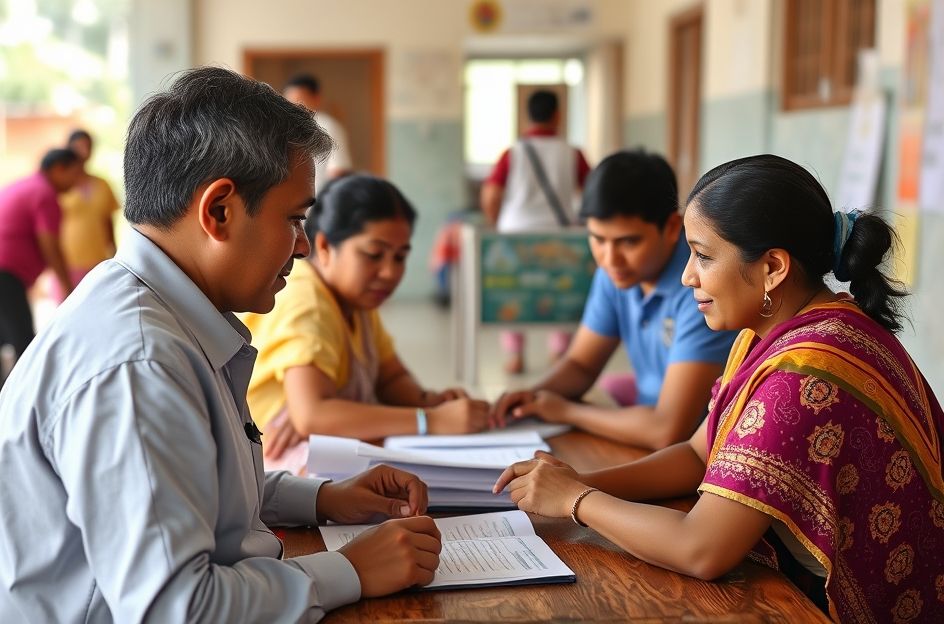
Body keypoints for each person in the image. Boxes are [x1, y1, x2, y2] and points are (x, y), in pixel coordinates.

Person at [0, 67, 442, 623]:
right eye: (294, 219)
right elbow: (177, 609)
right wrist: (350, 570)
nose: (303, 246)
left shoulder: (164, 312)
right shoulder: (138, 363)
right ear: (219, 211)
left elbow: (193, 484)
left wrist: (323, 497)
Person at [494, 154, 944, 623]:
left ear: (772, 267)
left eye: (703, 256)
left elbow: (701, 548)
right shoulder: (768, 335)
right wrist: (580, 481)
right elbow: (698, 453)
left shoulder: (804, 373)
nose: (687, 276)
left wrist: (576, 501)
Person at [492, 150, 737, 450]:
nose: (610, 259)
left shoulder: (699, 288)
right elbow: (581, 364)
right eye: (598, 239)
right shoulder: (617, 274)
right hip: (646, 420)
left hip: (705, 450)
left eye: (629, 242)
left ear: (673, 228)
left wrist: (564, 411)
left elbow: (668, 430)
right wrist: (531, 398)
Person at [241, 174, 490, 463]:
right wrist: (430, 420)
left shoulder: (357, 302)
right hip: (272, 466)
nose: (389, 272)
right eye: (374, 254)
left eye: (399, 257)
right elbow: (312, 415)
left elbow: (391, 377)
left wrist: (430, 402)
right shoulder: (307, 300)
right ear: (324, 247)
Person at [480, 89, 592, 374]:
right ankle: (558, 353)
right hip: (560, 235)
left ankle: (515, 355)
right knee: (561, 288)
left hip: (515, 233)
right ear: (557, 115)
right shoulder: (572, 153)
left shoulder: (513, 153)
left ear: (527, 115)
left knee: (514, 290)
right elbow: (592, 191)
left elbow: (491, 194)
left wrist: (495, 224)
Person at [0, 148, 80, 370]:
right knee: (24, 343)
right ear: (58, 169)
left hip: (7, 273)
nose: (77, 181)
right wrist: (67, 288)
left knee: (7, 336)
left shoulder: (25, 186)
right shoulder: (44, 193)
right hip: (5, 273)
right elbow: (50, 244)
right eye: (75, 173)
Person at [48, 129, 121, 302]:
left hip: (98, 262)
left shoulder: (102, 184)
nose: (84, 151)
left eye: (88, 147)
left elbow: (108, 221)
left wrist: (114, 254)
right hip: (68, 263)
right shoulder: (57, 186)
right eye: (79, 146)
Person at [283, 73, 352, 195]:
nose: (293, 106)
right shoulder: (283, 128)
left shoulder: (328, 126)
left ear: (316, 98)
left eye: (299, 100)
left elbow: (338, 170)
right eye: (289, 101)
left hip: (318, 198)